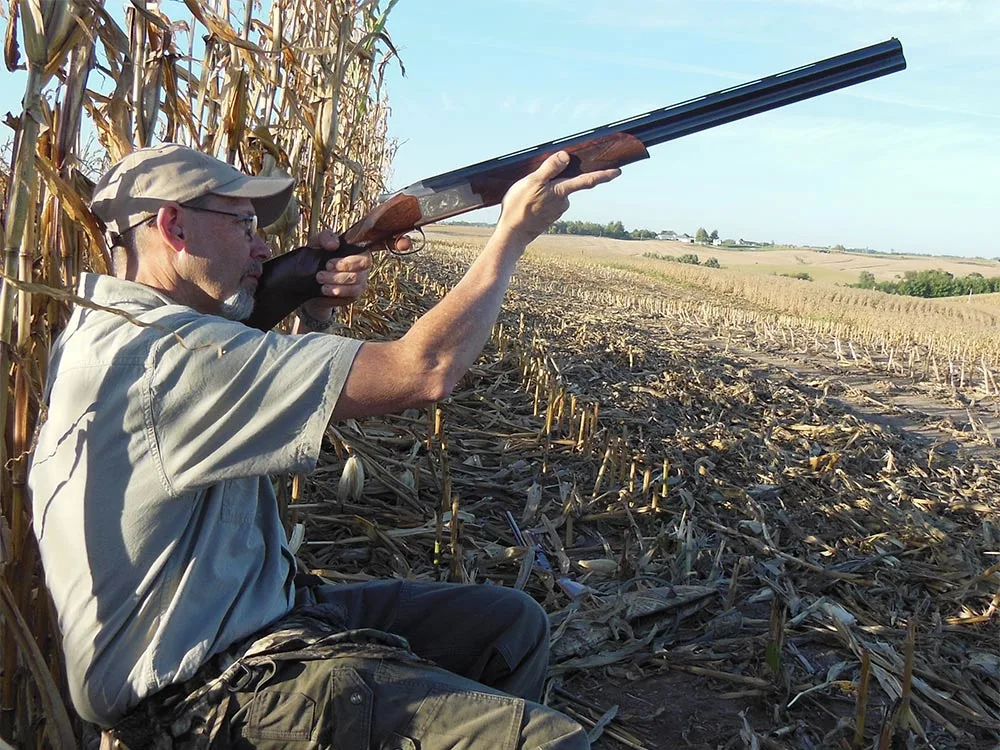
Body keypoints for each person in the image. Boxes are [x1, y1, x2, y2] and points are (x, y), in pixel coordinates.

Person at [28, 142, 618, 749]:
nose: (262, 248)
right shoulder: (168, 360)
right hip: (208, 697)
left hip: (264, 620)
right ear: (173, 227)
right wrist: (511, 236)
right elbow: (426, 370)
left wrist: (309, 312)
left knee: (509, 625)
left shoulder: (111, 332)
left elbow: (231, 400)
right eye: (245, 225)